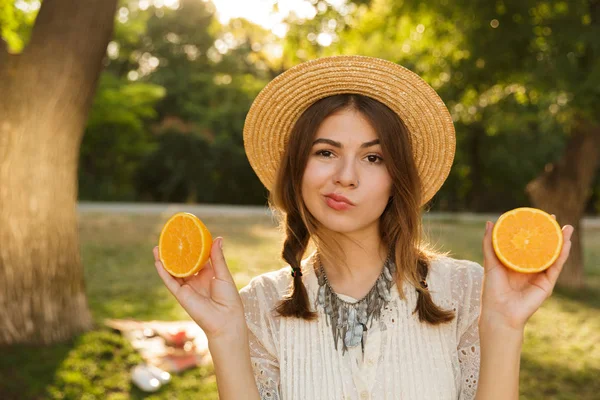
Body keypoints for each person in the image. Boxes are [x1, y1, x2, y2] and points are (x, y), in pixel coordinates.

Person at [153, 55, 574, 400]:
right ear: (297, 168)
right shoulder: (259, 307)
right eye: (325, 152)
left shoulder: (465, 292)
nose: (346, 176)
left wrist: (503, 325)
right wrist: (225, 334)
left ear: (397, 180)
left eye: (373, 158)